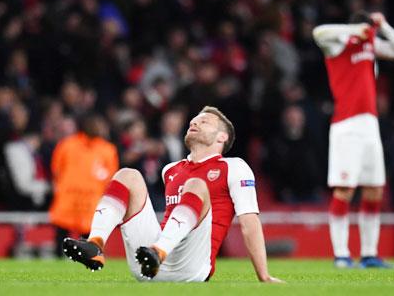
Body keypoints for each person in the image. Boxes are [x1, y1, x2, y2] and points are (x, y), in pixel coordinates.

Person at [62, 106, 282, 283]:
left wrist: (263, 275)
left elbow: (249, 222)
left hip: (193, 266)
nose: (194, 122)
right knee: (127, 175)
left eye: (203, 121)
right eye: (194, 120)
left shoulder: (234, 167)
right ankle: (96, 244)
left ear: (222, 137)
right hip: (146, 265)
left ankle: (159, 251)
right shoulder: (171, 170)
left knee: (195, 184)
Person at [313, 11, 394, 268]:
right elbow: (318, 32)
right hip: (346, 126)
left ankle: (369, 254)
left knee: (375, 189)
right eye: (367, 29)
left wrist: (385, 25)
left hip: (370, 125)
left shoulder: (370, 46)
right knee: (345, 189)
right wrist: (353, 30)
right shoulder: (337, 44)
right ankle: (341, 255)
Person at [49, 113, 119, 257]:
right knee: (61, 234)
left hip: (89, 201)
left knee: (88, 235)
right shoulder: (67, 145)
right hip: (70, 198)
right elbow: (56, 169)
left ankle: (89, 259)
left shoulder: (107, 149)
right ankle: (59, 260)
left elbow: (110, 177)